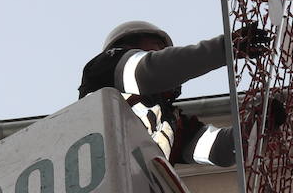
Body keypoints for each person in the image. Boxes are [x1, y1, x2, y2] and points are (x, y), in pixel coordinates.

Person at [78, 20, 280, 166]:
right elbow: (155, 69)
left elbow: (219, 150)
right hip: (96, 175)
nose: (162, 52)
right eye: (157, 46)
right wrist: (225, 47)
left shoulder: (173, 123)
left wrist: (255, 123)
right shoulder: (106, 70)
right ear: (128, 45)